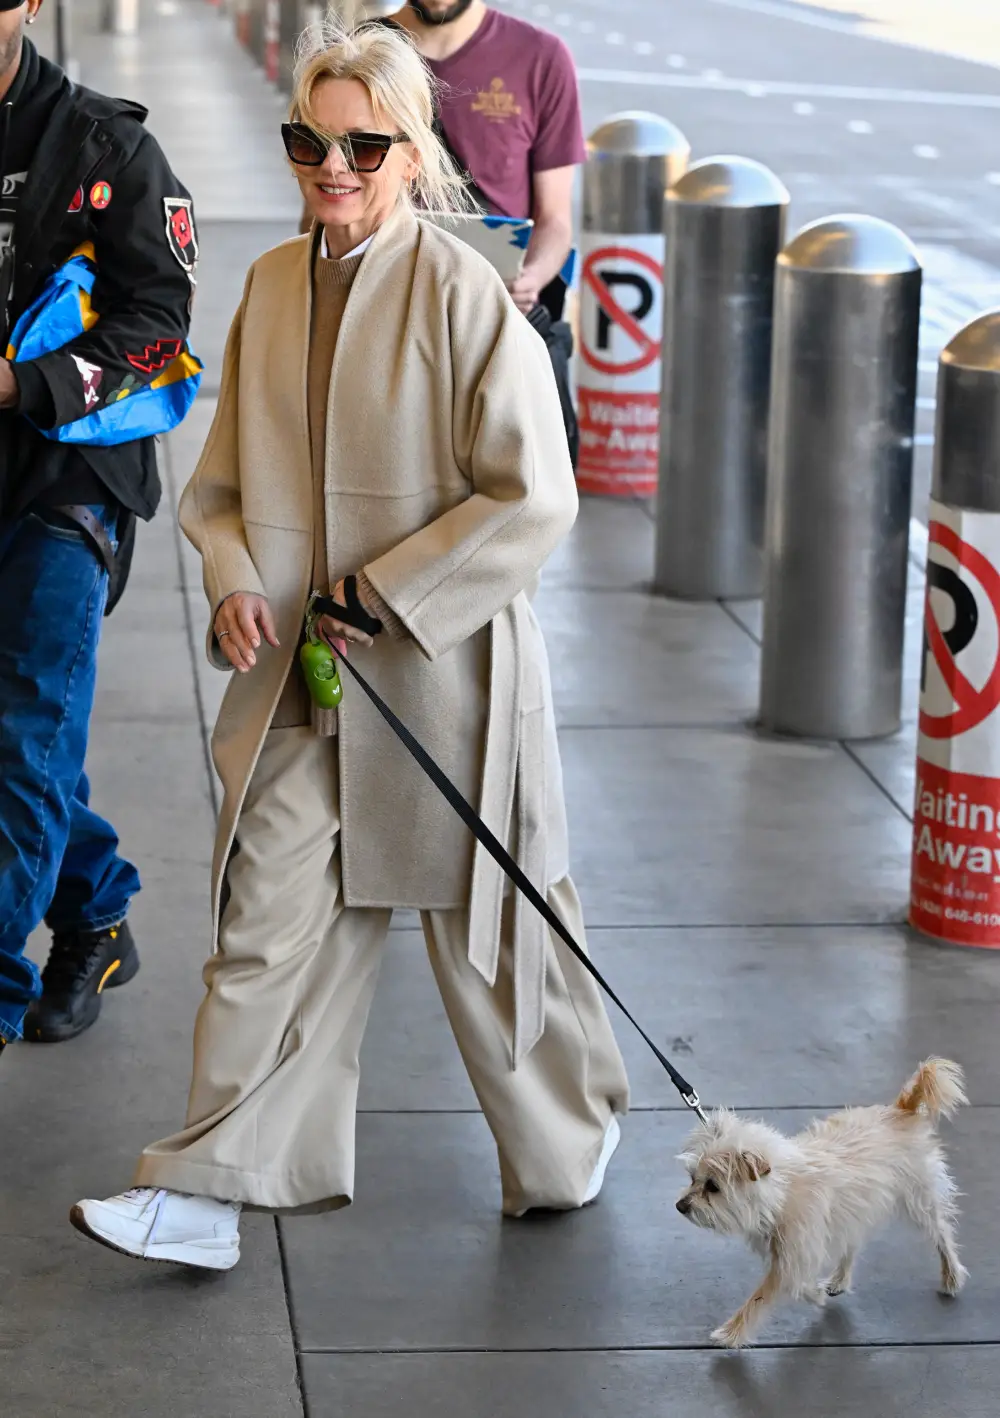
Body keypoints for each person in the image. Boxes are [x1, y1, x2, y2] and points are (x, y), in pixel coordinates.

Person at [70, 20, 628, 1269]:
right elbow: (218, 490)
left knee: (490, 937)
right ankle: (212, 1189)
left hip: (448, 681)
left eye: (360, 145)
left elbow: (534, 494)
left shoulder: (463, 288)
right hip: (304, 685)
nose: (331, 166)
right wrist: (228, 581)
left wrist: (387, 589)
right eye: (307, 141)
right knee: (265, 917)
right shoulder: (272, 285)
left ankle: (567, 1140)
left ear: (409, 147)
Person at [0, 0, 198, 1056]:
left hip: (70, 474)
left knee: (25, 727)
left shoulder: (107, 145)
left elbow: (160, 321)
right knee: (17, 741)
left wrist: (20, 379)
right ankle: (97, 910)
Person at [387, 0, 583, 324]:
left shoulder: (541, 57)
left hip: (494, 309)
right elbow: (324, 204)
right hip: (389, 302)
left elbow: (556, 220)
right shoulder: (361, 52)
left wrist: (530, 280)